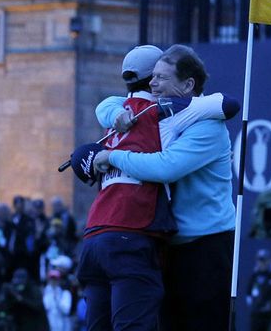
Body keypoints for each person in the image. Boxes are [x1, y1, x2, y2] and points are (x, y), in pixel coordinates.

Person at [77, 44, 237, 331]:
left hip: (205, 246)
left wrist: (111, 156)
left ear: (188, 84)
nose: (152, 83)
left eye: (162, 78)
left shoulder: (208, 125)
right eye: (152, 76)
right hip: (168, 245)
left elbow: (166, 167)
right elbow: (111, 103)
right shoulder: (163, 117)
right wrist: (115, 113)